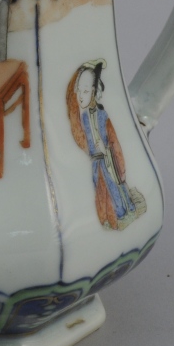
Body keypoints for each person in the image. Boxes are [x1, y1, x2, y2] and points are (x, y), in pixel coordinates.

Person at [66, 59, 146, 230]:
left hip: (106, 158)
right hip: (95, 161)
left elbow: (111, 137)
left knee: (113, 185)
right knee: (100, 188)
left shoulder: (102, 115)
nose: (81, 96)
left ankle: (122, 212)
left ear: (93, 92)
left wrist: (108, 151)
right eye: (79, 91)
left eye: (86, 91)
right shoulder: (84, 117)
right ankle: (106, 217)